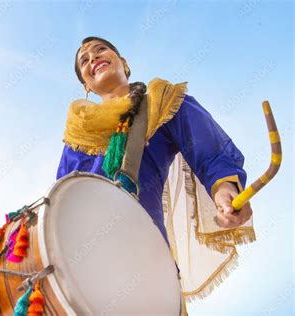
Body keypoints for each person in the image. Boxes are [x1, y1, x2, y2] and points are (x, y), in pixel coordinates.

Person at [56, 36, 256, 312]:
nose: (93, 58)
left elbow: (210, 152)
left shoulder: (165, 101)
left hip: (146, 257)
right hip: (83, 262)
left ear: (123, 62)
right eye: (84, 60)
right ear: (86, 86)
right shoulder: (77, 132)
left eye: (100, 49)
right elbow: (61, 198)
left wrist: (225, 191)